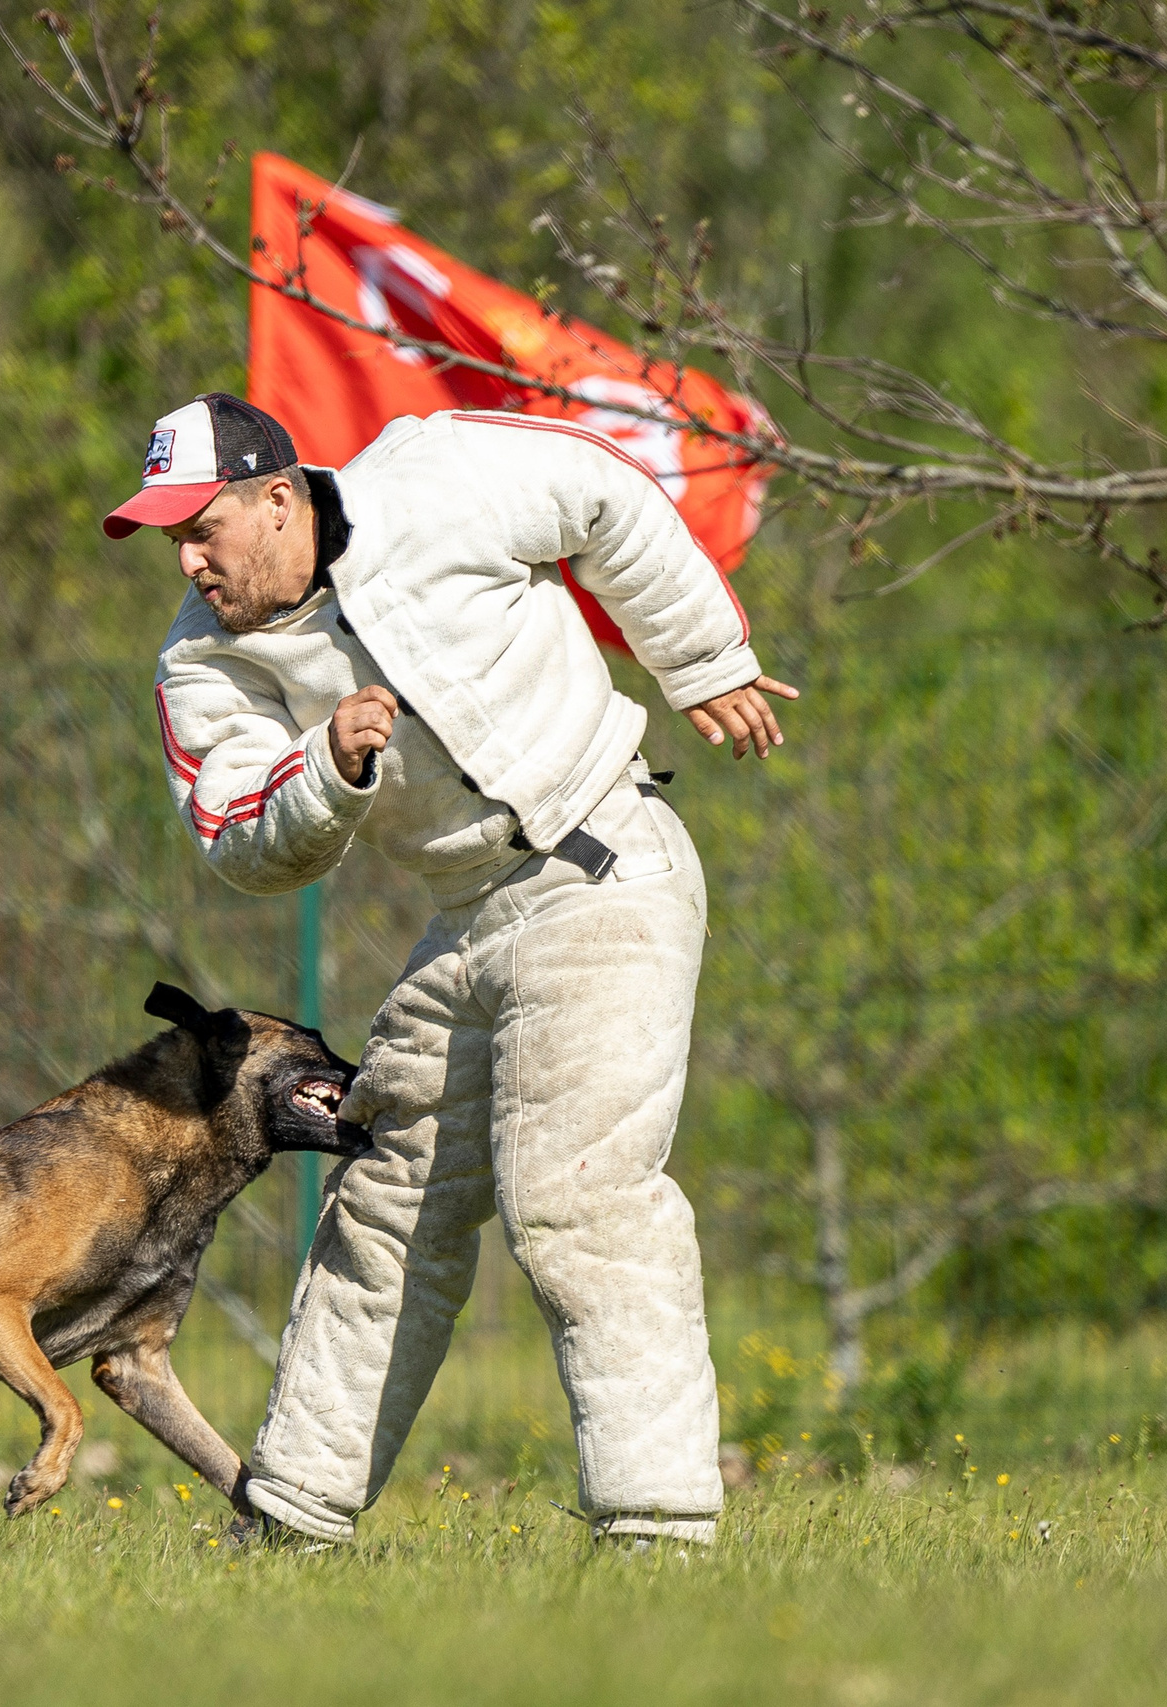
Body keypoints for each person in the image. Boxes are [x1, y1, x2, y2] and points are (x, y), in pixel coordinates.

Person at [103, 392, 797, 1550]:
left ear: (277, 499)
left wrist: (700, 657)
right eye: (170, 536)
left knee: (577, 1197)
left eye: (200, 528)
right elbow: (238, 842)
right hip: (466, 917)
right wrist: (325, 768)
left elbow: (606, 490)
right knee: (384, 1205)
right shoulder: (200, 657)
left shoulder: (433, 475)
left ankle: (657, 1536)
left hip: (602, 861)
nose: (187, 560)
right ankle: (290, 1523)